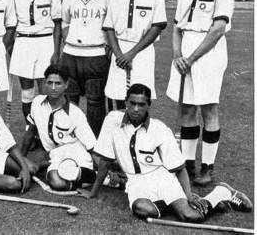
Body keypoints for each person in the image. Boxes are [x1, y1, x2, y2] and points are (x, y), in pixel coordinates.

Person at [81, 83, 252, 222]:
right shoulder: (112, 120)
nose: (135, 109)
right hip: (136, 182)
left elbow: (179, 168)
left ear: (148, 105)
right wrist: (93, 192)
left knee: (191, 216)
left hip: (162, 178)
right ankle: (177, 205)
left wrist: (187, 195)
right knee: (142, 208)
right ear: (125, 102)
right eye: (132, 103)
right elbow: (104, 162)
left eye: (141, 104)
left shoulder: (160, 129)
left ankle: (220, 193)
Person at [166, 0, 235, 186]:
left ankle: (207, 167)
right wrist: (177, 56)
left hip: (208, 56)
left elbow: (218, 29)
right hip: (183, 55)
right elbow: (176, 26)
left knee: (208, 108)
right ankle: (186, 165)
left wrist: (191, 58)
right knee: (186, 108)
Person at [102, 0, 167, 111]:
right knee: (116, 97)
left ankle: (139, 135)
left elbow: (157, 26)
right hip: (119, 51)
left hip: (142, 51)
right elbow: (109, 28)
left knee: (141, 97)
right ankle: (117, 133)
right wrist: (119, 55)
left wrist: (131, 54)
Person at [6, 0, 62, 131]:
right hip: (23, 42)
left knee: (45, 88)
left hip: (45, 42)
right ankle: (31, 129)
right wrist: (9, 46)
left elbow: (58, 24)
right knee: (27, 91)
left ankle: (47, 128)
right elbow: (8, 23)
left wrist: (56, 51)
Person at [20, 64, 99, 191]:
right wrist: (21, 161)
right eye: (49, 83)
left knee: (60, 180)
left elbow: (92, 146)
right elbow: (30, 131)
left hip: (76, 153)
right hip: (55, 155)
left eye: (58, 83)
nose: (53, 88)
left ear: (66, 85)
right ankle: (83, 178)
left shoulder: (75, 113)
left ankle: (98, 177)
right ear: (44, 83)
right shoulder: (36, 103)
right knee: (55, 180)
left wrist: (104, 169)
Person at [60, 0, 112, 137]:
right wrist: (73, 39)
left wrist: (106, 46)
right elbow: (64, 24)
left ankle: (95, 143)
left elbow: (111, 26)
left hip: (96, 55)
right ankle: (69, 139)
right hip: (70, 55)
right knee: (69, 100)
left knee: (95, 102)